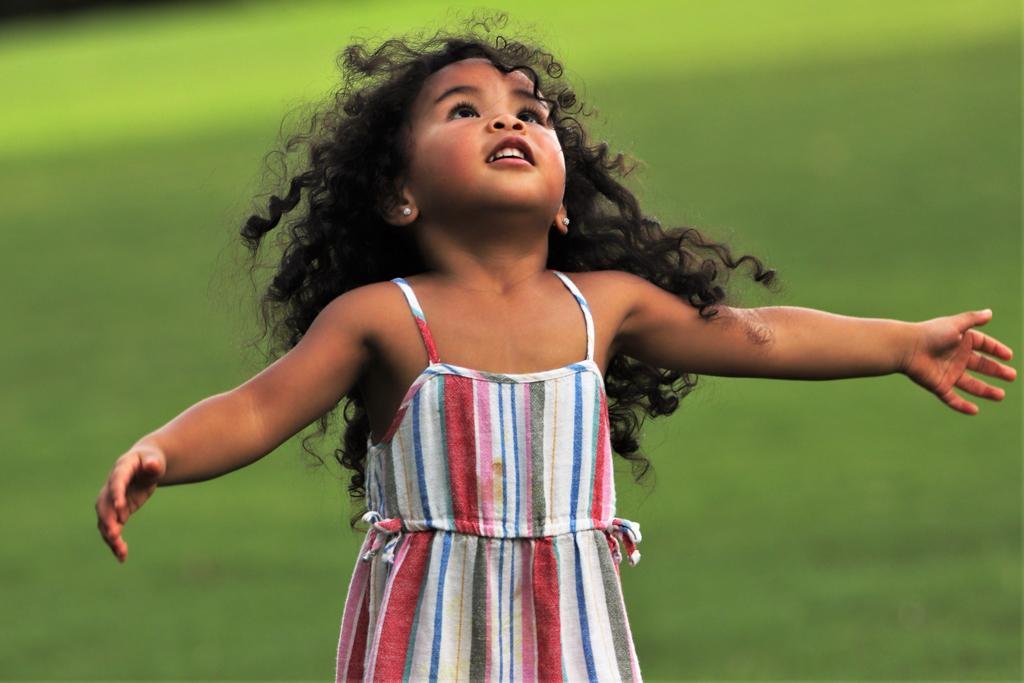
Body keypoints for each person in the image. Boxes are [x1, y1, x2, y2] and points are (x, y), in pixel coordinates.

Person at [94, 15, 1016, 683]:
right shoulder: (382, 317)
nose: (508, 122)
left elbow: (759, 333)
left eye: (529, 113)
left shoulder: (601, 306)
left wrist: (903, 343)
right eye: (464, 110)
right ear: (399, 195)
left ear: (565, 199)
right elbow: (258, 406)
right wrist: (164, 451)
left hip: (571, 635)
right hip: (427, 643)